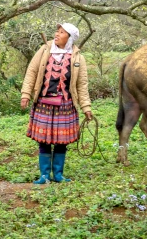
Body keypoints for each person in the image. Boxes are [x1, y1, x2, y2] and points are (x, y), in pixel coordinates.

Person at [20, 22, 93, 184]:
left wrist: (86, 107)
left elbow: (82, 84)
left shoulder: (78, 58)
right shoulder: (45, 50)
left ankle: (58, 175)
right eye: (57, 31)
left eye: (62, 32)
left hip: (65, 105)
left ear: (70, 38)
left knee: (62, 141)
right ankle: (44, 175)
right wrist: (25, 94)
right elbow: (31, 72)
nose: (57, 34)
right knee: (43, 140)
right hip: (43, 103)